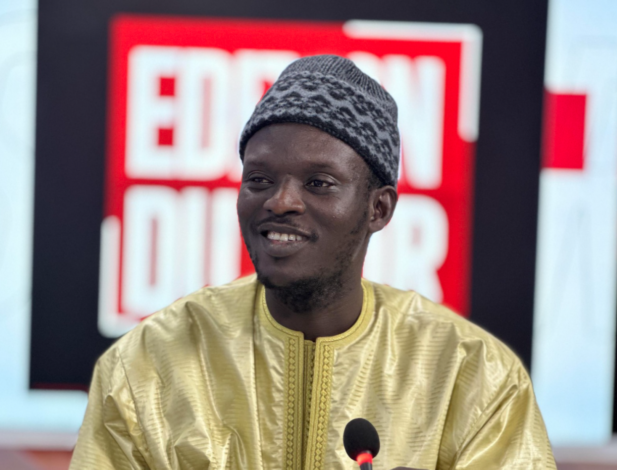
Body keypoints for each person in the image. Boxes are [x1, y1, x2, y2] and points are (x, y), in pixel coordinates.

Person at [70, 55, 555, 469]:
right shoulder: (148, 365)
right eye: (259, 180)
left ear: (378, 209)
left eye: (318, 183)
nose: (280, 201)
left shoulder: (472, 375)